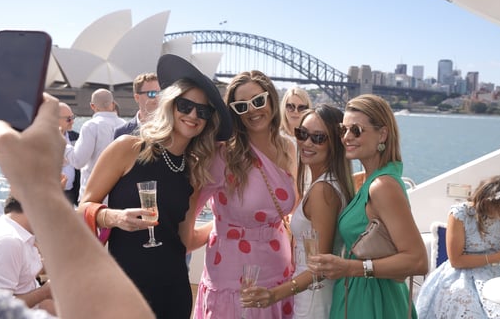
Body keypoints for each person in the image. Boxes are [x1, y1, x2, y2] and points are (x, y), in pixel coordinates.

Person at [0, 92, 154, 318]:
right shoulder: (8, 243)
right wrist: (44, 189)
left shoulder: (16, 236)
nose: (70, 123)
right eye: (67, 119)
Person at [78, 54, 232, 318]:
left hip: (173, 290)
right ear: (171, 105)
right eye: (185, 105)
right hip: (124, 287)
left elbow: (185, 241)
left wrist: (225, 223)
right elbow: (82, 209)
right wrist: (114, 217)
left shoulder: (193, 170)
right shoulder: (128, 147)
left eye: (203, 111)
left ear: (208, 121)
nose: (193, 115)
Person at [308, 94, 428, 319]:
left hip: (373, 301)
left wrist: (350, 268)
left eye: (356, 130)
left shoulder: (382, 186)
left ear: (382, 134)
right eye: (343, 130)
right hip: (359, 292)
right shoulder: (371, 181)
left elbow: (418, 260)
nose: (346, 137)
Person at [193, 70, 297, 319]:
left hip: (279, 267)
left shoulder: (288, 147)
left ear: (271, 99)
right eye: (241, 106)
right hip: (232, 272)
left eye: (258, 101)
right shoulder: (222, 156)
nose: (252, 110)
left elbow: (292, 206)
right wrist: (221, 226)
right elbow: (188, 219)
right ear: (234, 113)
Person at [241, 104, 354, 318]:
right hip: (314, 291)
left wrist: (273, 295)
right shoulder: (328, 183)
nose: (306, 143)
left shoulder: (323, 190)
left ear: (336, 143)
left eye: (318, 138)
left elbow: (319, 268)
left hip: (314, 298)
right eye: (302, 134)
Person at [416, 175, 500, 319]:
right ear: (489, 202)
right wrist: (497, 257)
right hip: (460, 276)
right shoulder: (461, 214)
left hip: (494, 274)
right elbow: (456, 261)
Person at [64, 88, 126, 199]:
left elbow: (78, 161)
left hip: (93, 194)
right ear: (112, 104)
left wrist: (63, 145)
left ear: (92, 106)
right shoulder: (126, 125)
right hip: (120, 193)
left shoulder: (91, 126)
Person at [114, 72, 161, 138]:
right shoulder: (122, 132)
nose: (157, 97)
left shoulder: (172, 128)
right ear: (137, 97)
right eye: (152, 93)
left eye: (160, 93)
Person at [58, 102, 80, 205]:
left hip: (71, 193)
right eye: (68, 119)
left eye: (73, 117)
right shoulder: (42, 139)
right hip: (50, 193)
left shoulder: (76, 137)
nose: (72, 121)